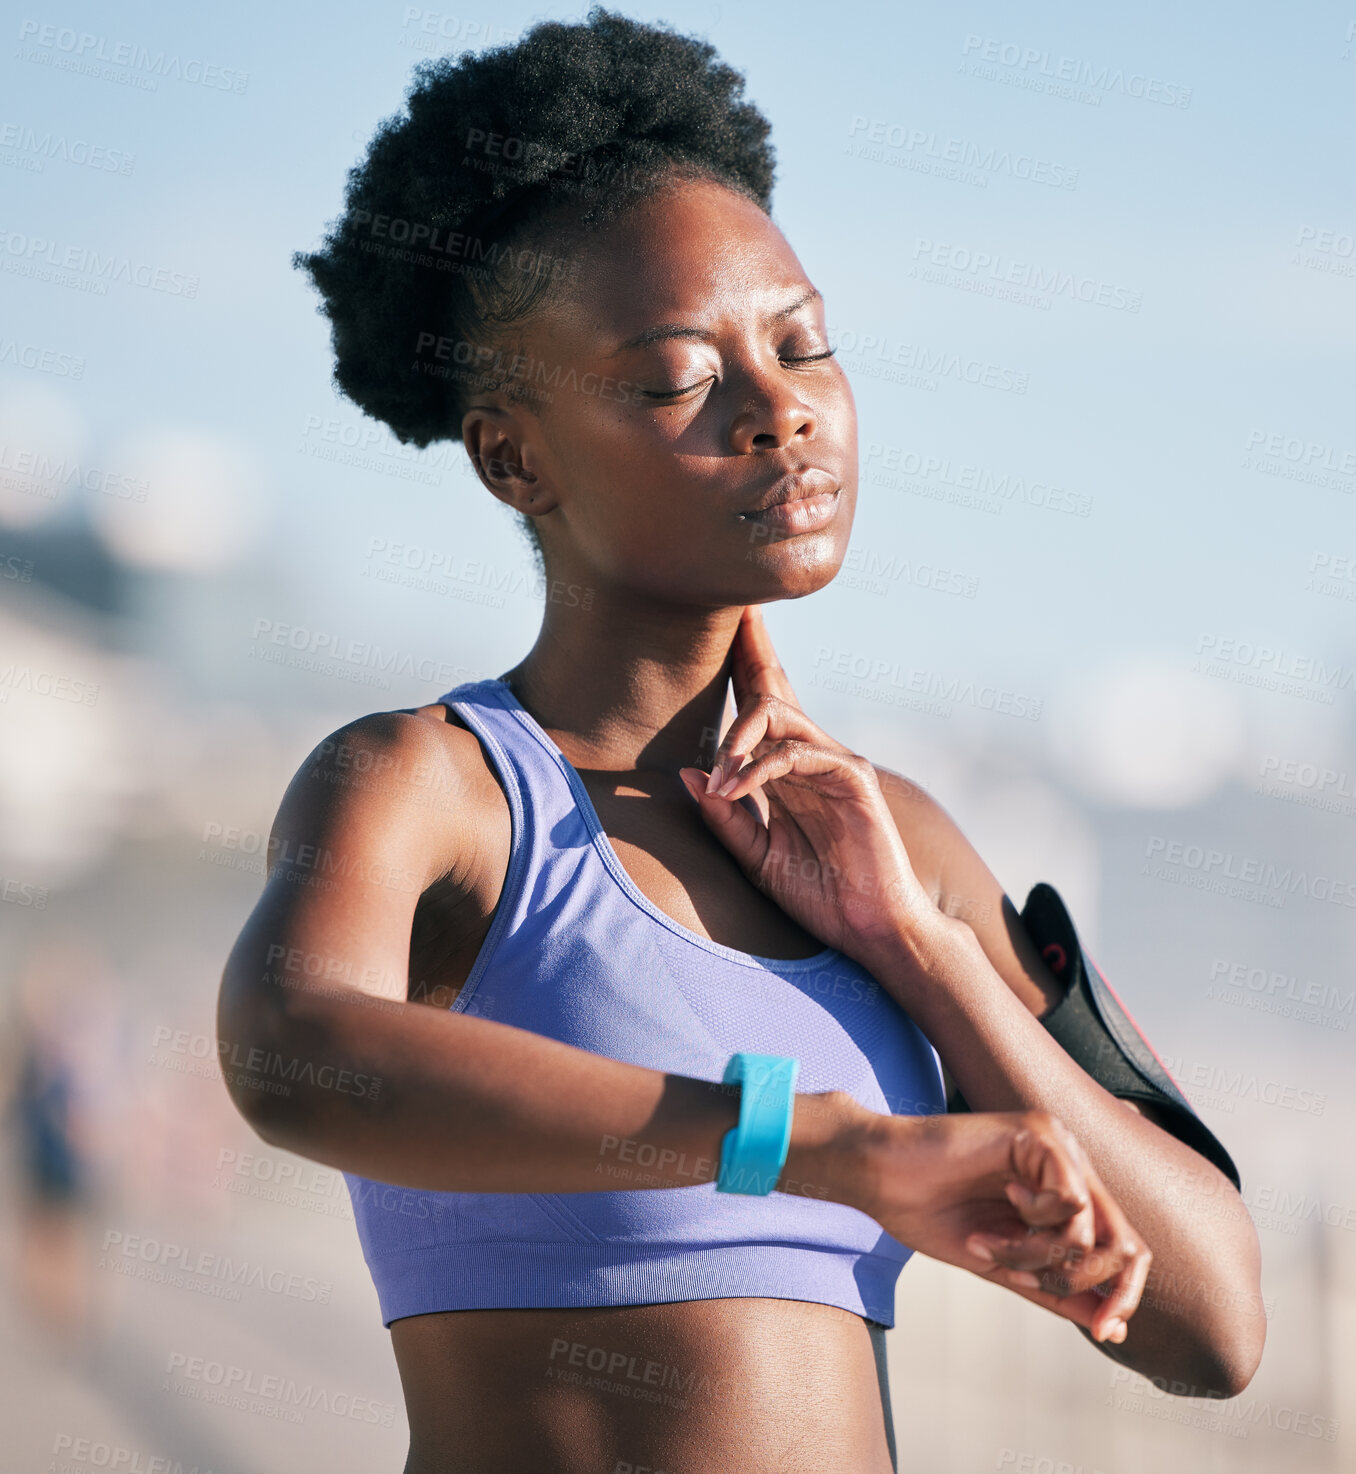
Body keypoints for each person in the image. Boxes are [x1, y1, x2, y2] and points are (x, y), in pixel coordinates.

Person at [218, 11, 1264, 1471]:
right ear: (515, 453)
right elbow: (291, 1054)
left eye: (804, 345)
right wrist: (829, 1143)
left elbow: (1213, 1328)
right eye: (676, 380)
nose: (781, 413)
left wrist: (918, 946)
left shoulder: (890, 836)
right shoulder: (434, 786)